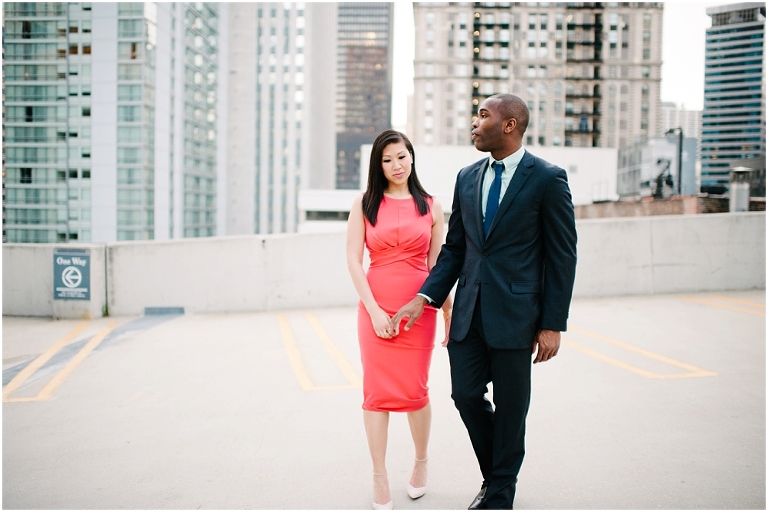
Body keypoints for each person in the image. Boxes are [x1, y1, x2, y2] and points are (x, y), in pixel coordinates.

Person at [391, 94, 577, 509]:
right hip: (468, 313)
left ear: (509, 125)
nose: (474, 122)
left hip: (517, 316)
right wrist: (425, 297)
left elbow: (562, 255)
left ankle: (499, 493)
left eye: (483, 115)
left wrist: (552, 323)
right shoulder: (467, 177)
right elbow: (456, 248)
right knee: (465, 396)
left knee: (512, 410)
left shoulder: (548, 178)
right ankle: (498, 476)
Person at [346, 129, 453, 510]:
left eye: (402, 156)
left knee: (415, 391)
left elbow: (438, 265)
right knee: (375, 394)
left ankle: (421, 463)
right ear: (379, 164)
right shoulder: (364, 204)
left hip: (418, 310)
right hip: (375, 306)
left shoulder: (431, 205)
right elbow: (353, 262)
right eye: (387, 159)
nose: (396, 165)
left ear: (412, 157)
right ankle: (379, 477)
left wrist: (446, 310)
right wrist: (374, 311)